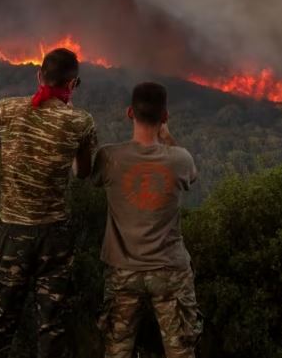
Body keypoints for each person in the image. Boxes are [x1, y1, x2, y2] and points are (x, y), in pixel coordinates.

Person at [0, 47, 98, 358]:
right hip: (55, 238)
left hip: (12, 235)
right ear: (73, 84)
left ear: (39, 75)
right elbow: (82, 173)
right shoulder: (80, 121)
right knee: (52, 329)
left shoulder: (5, 110)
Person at [92, 82, 203, 358]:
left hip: (123, 272)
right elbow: (193, 175)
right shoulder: (180, 159)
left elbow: (83, 173)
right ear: (165, 116)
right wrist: (167, 137)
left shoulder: (108, 157)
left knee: (116, 350)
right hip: (170, 271)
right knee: (181, 351)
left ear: (130, 112)